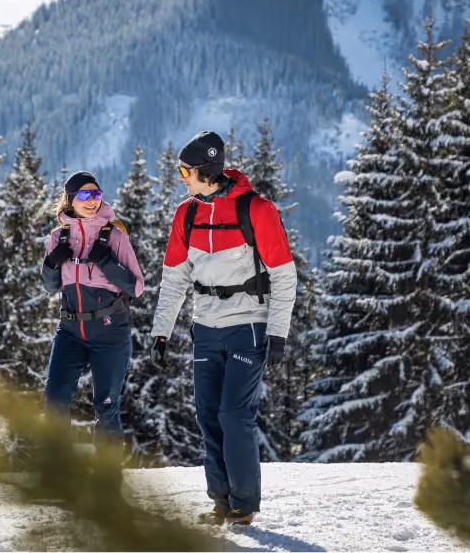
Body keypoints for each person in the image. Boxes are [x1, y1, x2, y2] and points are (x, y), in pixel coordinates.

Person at [150, 131, 296, 526]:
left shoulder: (257, 210)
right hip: (205, 326)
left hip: (248, 325)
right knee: (208, 414)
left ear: (206, 170)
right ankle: (221, 500)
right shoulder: (188, 213)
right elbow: (175, 278)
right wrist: (160, 331)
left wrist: (278, 332)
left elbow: (283, 275)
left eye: (186, 170)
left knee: (235, 413)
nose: (181, 176)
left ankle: (244, 504)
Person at [40, 170, 145, 441]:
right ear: (71, 199)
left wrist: (107, 262)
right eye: (85, 195)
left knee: (106, 408)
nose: (92, 201)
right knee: (54, 402)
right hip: (70, 331)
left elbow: (136, 287)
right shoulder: (58, 237)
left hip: (109, 332)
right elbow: (51, 287)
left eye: (96, 194)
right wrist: (52, 262)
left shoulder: (115, 236)